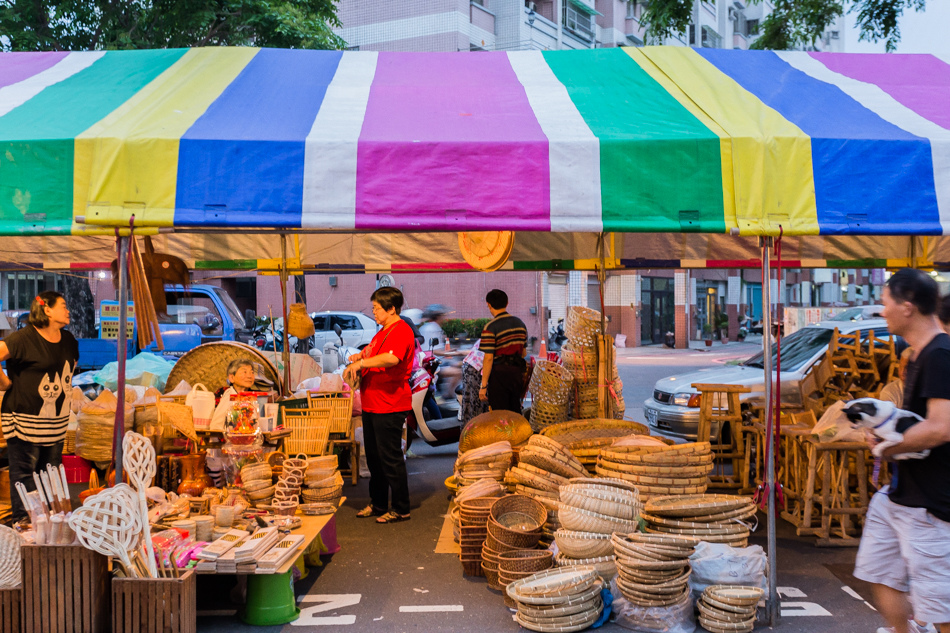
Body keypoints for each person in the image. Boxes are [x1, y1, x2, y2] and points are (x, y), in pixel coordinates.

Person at [853, 269, 950, 633]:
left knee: (940, 607)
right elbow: (913, 422)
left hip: (932, 504)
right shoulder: (918, 356)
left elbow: (941, 427)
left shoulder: (941, 355)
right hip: (899, 496)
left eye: (886, 302)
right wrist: (883, 435)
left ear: (907, 307)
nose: (883, 310)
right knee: (879, 573)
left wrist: (887, 449)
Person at [0, 292, 79, 524]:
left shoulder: (68, 340)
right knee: (25, 477)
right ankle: (24, 526)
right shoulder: (22, 338)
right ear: (47, 310)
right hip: (23, 420)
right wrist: (4, 383)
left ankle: (51, 525)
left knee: (51, 475)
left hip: (54, 423)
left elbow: (70, 369)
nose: (67, 311)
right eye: (63, 306)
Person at [343, 287, 415, 524]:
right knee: (374, 458)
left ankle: (401, 507)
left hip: (390, 403)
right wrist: (357, 358)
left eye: (376, 307)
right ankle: (378, 503)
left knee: (390, 457)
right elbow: (371, 352)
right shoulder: (381, 332)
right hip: (372, 403)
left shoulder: (401, 330)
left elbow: (391, 358)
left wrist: (362, 363)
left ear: (391, 308)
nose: (373, 311)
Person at [478, 289, 528, 413]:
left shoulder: (490, 327)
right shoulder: (520, 324)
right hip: (517, 374)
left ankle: (503, 433)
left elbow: (488, 358)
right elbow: (524, 353)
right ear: (507, 303)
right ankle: (518, 432)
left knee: (499, 413)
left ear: (488, 304)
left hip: (499, 375)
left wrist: (483, 386)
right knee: (515, 409)